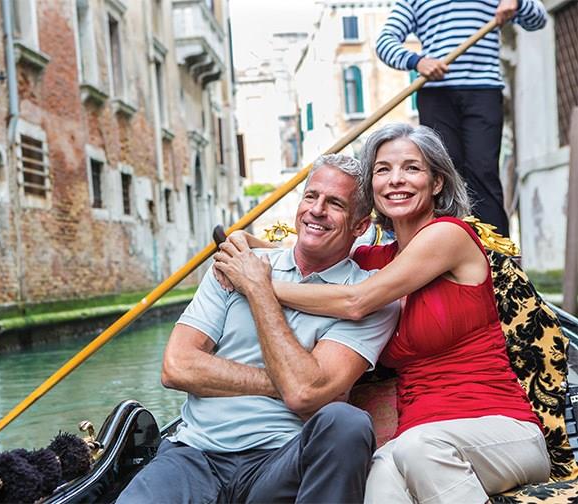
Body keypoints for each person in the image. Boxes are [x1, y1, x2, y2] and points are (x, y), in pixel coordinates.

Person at [215, 123, 550, 503]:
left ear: (437, 182)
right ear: (371, 186)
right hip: (418, 439)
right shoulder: (374, 260)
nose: (396, 180)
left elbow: (355, 301)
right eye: (383, 169)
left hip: (502, 431)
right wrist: (245, 243)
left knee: (418, 448)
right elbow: (307, 253)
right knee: (378, 476)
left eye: (412, 168)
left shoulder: (450, 235)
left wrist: (258, 285)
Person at [116, 154, 400, 504]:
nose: (316, 210)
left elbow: (305, 394)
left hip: (280, 463)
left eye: (335, 203)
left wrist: (258, 289)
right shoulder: (236, 265)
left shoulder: (370, 297)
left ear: (360, 225)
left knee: (346, 422)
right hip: (194, 454)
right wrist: (283, 381)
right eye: (311, 197)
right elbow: (177, 367)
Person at [375, 0, 547, 237]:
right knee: (443, 176)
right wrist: (417, 62)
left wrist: (516, 3)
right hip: (436, 94)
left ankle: (498, 254)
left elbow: (538, 19)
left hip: (483, 91)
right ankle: (445, 247)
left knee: (484, 172)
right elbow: (384, 42)